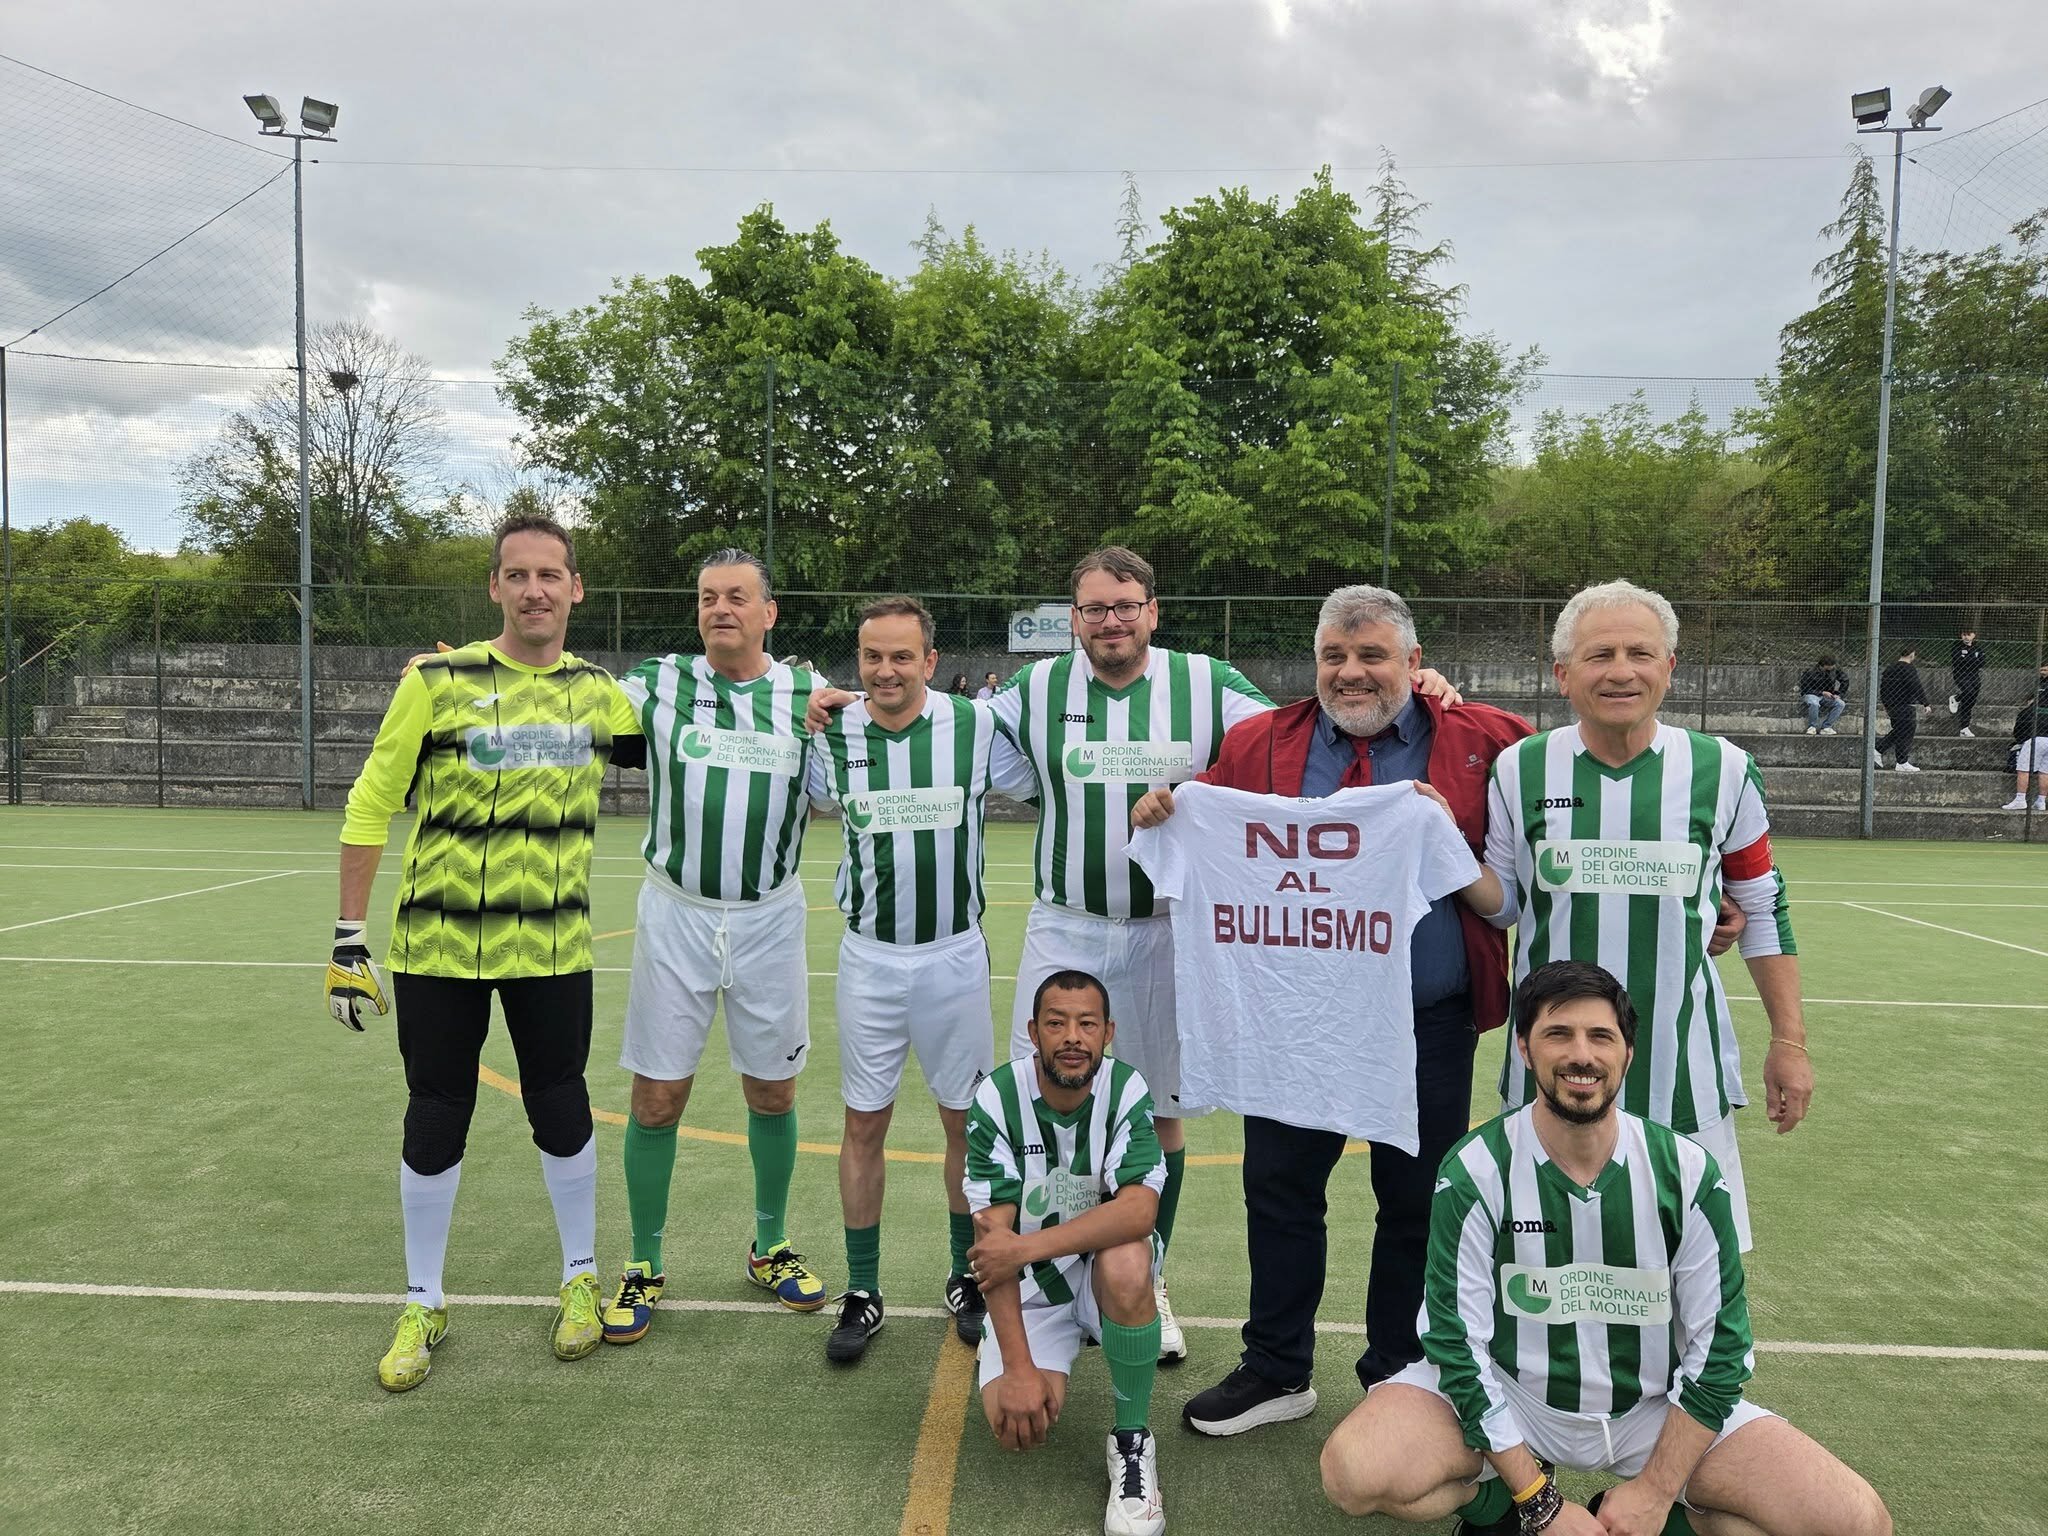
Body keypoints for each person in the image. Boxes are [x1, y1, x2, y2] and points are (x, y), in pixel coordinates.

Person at [1129, 584, 1533, 1436]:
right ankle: (1277, 1367)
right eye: (1334, 656)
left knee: (1416, 1199)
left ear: (1414, 664)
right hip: (1293, 1019)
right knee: (1278, 1190)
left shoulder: (1485, 741)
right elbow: (1207, 824)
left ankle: (1400, 1374)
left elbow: (1530, 866)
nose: (1351, 672)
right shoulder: (1258, 742)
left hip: (1427, 1022)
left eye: (1372, 655)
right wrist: (1166, 809)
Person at [1319, 961, 1892, 1536]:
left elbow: (1720, 1351)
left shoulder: (1687, 1173)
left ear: (1627, 1053)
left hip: (1655, 1409)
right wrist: (1538, 1502)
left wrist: (1655, 1491)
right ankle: (1503, 1508)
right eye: (1558, 1034)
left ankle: (1645, 1518)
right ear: (1524, 1048)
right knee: (1356, 1470)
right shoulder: (1475, 1170)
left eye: (1601, 1036)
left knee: (1855, 1523)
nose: (1581, 1055)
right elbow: (1455, 1343)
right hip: (1516, 1393)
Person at [329, 512, 645, 1392]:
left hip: (552, 945)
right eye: (518, 575)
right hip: (439, 946)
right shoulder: (436, 682)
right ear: (494, 587)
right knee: (436, 1113)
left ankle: (579, 1280)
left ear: (576, 589)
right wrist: (349, 938)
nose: (535, 591)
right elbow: (370, 804)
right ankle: (423, 1299)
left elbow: (687, 738)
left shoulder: (602, 695)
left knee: (562, 1105)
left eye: (550, 575)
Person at [1483, 579, 1812, 1254]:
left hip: (1681, 1073)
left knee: (1692, 1268)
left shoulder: (1724, 769)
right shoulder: (1519, 769)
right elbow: (1505, 902)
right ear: (1563, 674)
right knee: (1542, 1264)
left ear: (1669, 667)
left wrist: (1789, 1041)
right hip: (1548, 1070)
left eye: (1640, 653)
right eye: (1600, 654)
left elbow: (1761, 907)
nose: (1621, 671)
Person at [599, 548, 834, 1346]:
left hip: (770, 919)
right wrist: (462, 672)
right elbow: (561, 693)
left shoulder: (806, 696)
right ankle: (644, 1262)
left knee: (773, 1092)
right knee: (657, 1097)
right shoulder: (658, 683)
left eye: (737, 597)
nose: (720, 609)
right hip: (676, 916)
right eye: (707, 597)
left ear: (770, 613)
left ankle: (769, 1246)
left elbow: (840, 787)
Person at [806, 597, 1039, 1361]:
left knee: (962, 1124)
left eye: (902, 656)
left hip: (953, 958)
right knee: (863, 1124)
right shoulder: (834, 731)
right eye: (873, 656)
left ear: (931, 662)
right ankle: (863, 1289)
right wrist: (806, 707)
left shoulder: (974, 726)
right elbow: (802, 786)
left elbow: (1049, 782)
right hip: (868, 960)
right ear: (858, 661)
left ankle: (964, 1275)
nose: (886, 670)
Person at [963, 969, 1169, 1536]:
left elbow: (1139, 1212)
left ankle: (1132, 1440)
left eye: (1087, 1024)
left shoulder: (1125, 1088)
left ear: (1108, 1033)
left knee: (1128, 1261)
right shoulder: (997, 1097)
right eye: (1056, 1023)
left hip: (1097, 1268)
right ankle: (1035, 1345)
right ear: (1034, 1032)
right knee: (1016, 1422)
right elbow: (993, 1248)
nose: (1072, 1037)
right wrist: (1019, 1369)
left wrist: (1026, 1246)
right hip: (1035, 1283)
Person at [1875, 645, 1928, 772]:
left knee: (1899, 730)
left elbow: (1883, 688)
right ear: (1912, 654)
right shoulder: (1909, 669)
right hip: (1905, 704)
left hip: (1892, 705)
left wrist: (1886, 704)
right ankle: (1901, 761)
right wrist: (1925, 703)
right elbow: (1915, 686)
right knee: (1907, 732)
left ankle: (1879, 749)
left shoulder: (1890, 668)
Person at [2002, 663, 2048, 811]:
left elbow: (2018, 730)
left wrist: (2022, 740)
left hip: (2035, 739)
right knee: (2045, 771)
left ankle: (2020, 799)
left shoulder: (2030, 711)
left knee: (2023, 769)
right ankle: (2041, 801)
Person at [1795, 653, 1847, 736]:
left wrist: (1838, 694)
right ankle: (1812, 726)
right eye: (1831, 665)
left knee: (1840, 704)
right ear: (1825, 665)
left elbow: (1845, 680)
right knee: (1814, 703)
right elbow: (1805, 689)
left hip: (1827, 696)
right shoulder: (1810, 672)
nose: (1833, 667)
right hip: (1811, 694)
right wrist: (1822, 692)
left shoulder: (1834, 670)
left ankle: (1826, 727)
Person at [1949, 629, 1985, 737]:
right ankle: (1956, 698)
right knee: (1969, 692)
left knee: (1970, 701)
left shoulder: (1978, 648)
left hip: (1974, 675)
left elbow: (1982, 662)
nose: (1966, 637)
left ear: (1973, 635)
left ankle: (1964, 728)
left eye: (1968, 635)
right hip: (1961, 674)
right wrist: (1973, 659)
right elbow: (1958, 662)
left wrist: (1967, 659)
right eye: (1964, 634)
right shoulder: (1957, 647)